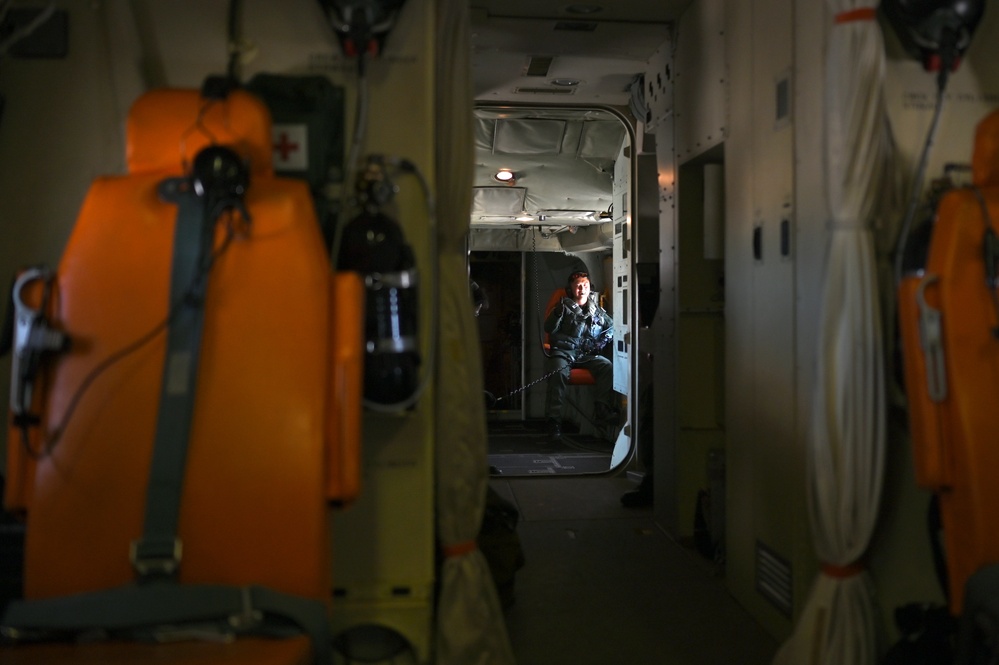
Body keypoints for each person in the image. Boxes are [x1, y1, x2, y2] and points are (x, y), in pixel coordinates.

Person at [543, 270, 617, 444]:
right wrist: (557, 313)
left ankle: (602, 410)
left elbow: (611, 325)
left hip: (585, 355)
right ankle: (554, 423)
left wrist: (606, 337)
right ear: (570, 289)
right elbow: (549, 328)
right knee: (558, 372)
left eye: (585, 285)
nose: (582, 289)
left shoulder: (595, 309)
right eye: (578, 286)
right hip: (563, 353)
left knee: (607, 366)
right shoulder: (562, 307)